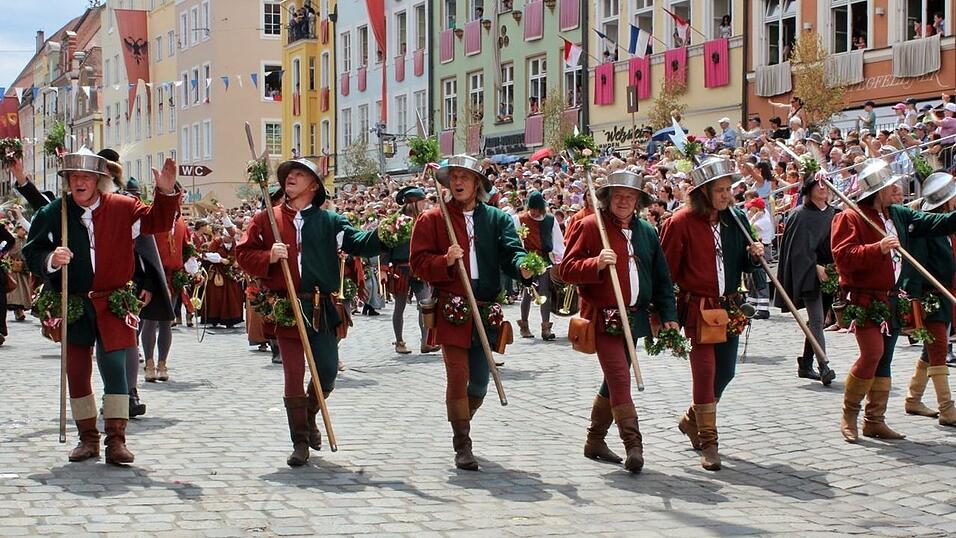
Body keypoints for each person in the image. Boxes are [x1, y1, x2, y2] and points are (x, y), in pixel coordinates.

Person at [23, 149, 181, 465]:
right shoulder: (54, 213)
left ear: (99, 180)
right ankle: (87, 438)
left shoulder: (122, 207)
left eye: (85, 177)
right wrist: (51, 260)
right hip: (75, 301)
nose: (79, 182)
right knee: (77, 371)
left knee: (115, 369)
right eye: (73, 177)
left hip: (113, 301)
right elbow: (32, 251)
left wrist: (165, 192)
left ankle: (116, 438)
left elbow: (158, 221)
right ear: (67, 181)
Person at [236, 158, 381, 467]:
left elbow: (359, 243)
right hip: (287, 305)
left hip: (321, 307)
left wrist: (390, 233)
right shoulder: (267, 219)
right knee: (291, 375)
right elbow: (244, 254)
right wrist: (269, 257)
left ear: (313, 186)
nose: (291, 177)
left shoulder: (330, 221)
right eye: (289, 173)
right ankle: (299, 441)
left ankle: (311, 414)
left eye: (300, 174)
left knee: (327, 372)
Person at [409, 155, 532, 471]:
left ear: (478, 182)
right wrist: (445, 260)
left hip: (486, 308)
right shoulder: (432, 219)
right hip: (452, 307)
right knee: (458, 375)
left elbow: (511, 252)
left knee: (479, 382)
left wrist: (523, 266)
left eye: (465, 176)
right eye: (454, 177)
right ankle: (462, 443)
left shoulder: (497, 219)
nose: (459, 182)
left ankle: (462, 416)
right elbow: (418, 264)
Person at [561, 170, 678, 473]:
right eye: (619, 195)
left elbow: (663, 279)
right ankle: (634, 445)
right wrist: (595, 263)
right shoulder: (590, 226)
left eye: (630, 196)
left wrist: (668, 317)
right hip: (603, 319)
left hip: (635, 318)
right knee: (620, 378)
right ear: (608, 198)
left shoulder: (648, 232)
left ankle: (594, 439)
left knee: (613, 380)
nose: (624, 201)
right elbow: (567, 269)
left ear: (638, 201)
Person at [831, 160, 956, 443]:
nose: (897, 189)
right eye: (890, 186)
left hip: (892, 298)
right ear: (877, 191)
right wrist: (878, 248)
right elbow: (844, 257)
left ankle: (874, 420)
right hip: (864, 297)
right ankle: (849, 415)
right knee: (872, 353)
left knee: (885, 359)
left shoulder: (898, 214)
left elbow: (937, 222)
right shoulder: (850, 217)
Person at [660, 156, 764, 471]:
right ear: (703, 192)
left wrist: (755, 255)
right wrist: (667, 313)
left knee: (726, 372)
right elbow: (666, 273)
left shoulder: (736, 219)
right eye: (719, 190)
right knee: (704, 373)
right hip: (698, 308)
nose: (726, 195)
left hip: (729, 306)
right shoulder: (679, 223)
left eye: (728, 189)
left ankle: (692, 419)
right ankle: (709, 442)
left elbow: (744, 264)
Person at [899, 171, 956, 426]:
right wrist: (916, 299)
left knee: (931, 348)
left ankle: (913, 398)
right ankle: (947, 408)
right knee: (939, 348)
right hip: (930, 294)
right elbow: (916, 266)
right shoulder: (925, 228)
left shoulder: (944, 226)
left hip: (945, 292)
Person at [775, 170, 838, 385]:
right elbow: (797, 250)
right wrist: (814, 267)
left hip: (831, 274)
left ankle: (806, 362)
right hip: (809, 275)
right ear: (809, 189)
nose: (824, 188)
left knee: (816, 321)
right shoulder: (799, 215)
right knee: (818, 320)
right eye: (818, 185)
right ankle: (824, 365)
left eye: (826, 185)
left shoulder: (835, 213)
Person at [384, 186, 439, 355]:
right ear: (413, 203)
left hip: (420, 268)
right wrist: (384, 268)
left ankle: (426, 341)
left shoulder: (424, 220)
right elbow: (386, 246)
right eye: (422, 201)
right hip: (401, 268)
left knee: (425, 305)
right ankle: (399, 341)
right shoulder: (395, 221)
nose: (424, 204)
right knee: (399, 306)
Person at [514, 190, 565, 340]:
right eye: (532, 209)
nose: (534, 212)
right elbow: (515, 241)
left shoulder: (550, 220)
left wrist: (558, 262)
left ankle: (545, 327)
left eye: (537, 209)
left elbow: (557, 241)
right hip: (527, 260)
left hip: (544, 260)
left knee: (545, 293)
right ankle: (524, 325)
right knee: (528, 293)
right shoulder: (519, 219)